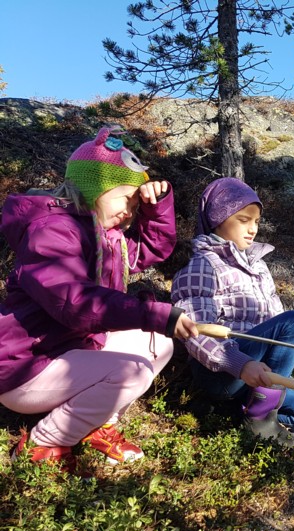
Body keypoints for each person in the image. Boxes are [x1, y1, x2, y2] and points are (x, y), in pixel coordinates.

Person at [0, 126, 198, 473]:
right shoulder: (52, 231)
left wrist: (157, 205)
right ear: (96, 187)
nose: (130, 212)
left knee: (160, 343)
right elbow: (74, 302)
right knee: (132, 371)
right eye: (127, 200)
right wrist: (149, 312)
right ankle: (42, 444)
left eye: (135, 206)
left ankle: (96, 422)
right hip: (25, 369)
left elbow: (153, 248)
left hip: (68, 351)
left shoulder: (107, 239)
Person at [171, 178, 294, 445]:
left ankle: (241, 416)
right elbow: (193, 332)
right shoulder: (201, 266)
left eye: (256, 222)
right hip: (223, 372)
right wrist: (241, 364)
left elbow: (274, 323)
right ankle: (260, 416)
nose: (253, 229)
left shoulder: (259, 267)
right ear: (217, 218)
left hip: (259, 374)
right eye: (244, 220)